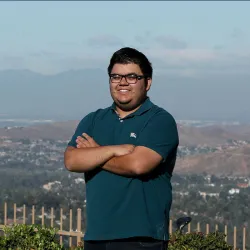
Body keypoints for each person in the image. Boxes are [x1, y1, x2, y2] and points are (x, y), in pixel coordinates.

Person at [64, 47, 179, 250]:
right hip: (96, 236)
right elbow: (72, 161)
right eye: (116, 76)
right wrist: (113, 149)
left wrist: (95, 152)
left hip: (142, 237)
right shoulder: (93, 120)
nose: (122, 82)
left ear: (148, 83)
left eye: (132, 77)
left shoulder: (159, 121)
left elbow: (138, 165)